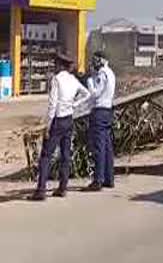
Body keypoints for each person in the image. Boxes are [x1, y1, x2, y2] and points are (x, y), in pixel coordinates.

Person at [29, 53, 90, 201]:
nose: (54, 66)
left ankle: (41, 190)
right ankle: (63, 187)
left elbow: (52, 105)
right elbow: (86, 94)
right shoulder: (72, 79)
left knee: (46, 156)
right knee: (65, 155)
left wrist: (47, 126)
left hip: (57, 120)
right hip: (69, 119)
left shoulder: (57, 79)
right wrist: (74, 105)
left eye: (55, 64)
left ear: (60, 65)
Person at [86, 51, 116, 191]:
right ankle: (108, 179)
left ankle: (98, 180)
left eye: (95, 60)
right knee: (107, 147)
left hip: (99, 111)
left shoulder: (101, 75)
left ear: (101, 60)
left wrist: (90, 80)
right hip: (108, 111)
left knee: (99, 147)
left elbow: (95, 93)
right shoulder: (111, 73)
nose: (93, 64)